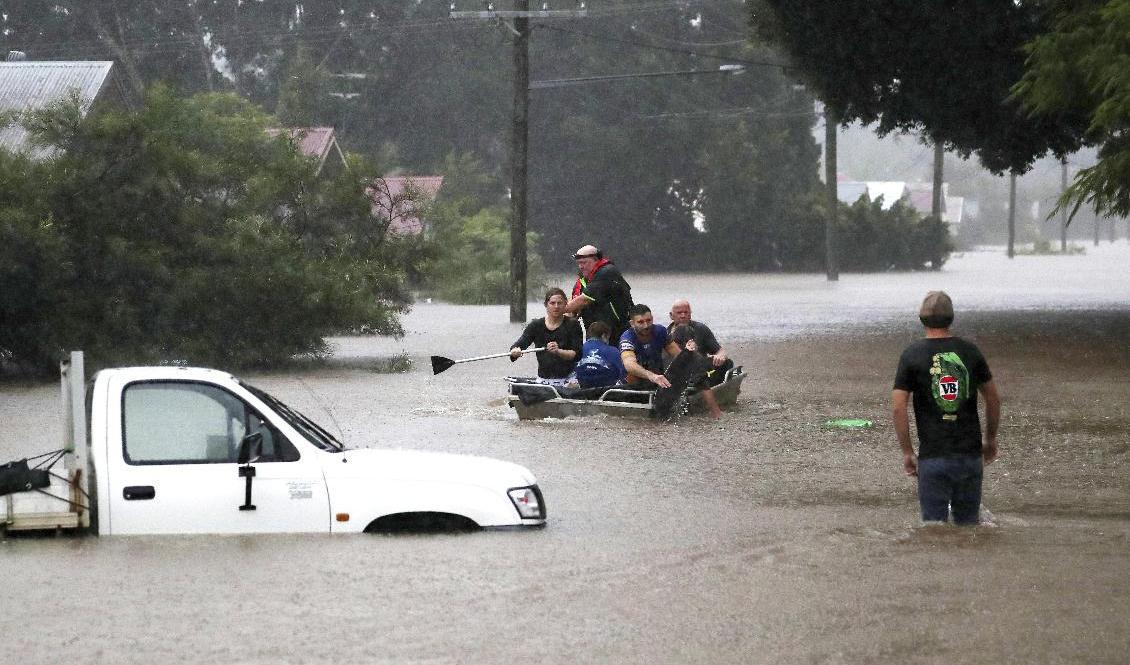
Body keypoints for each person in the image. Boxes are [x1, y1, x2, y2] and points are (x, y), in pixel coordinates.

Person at [892, 291, 1001, 526]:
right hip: (969, 456)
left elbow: (898, 408)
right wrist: (990, 439)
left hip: (933, 457)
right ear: (951, 318)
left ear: (921, 319)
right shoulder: (970, 352)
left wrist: (907, 451)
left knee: (933, 531)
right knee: (969, 528)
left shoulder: (912, 355)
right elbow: (992, 398)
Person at [510, 287, 583, 381]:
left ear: (565, 304)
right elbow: (520, 344)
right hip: (543, 378)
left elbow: (577, 355)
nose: (556, 306)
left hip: (568, 379)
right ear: (546, 305)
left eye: (559, 303)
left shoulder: (573, 324)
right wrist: (515, 351)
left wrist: (558, 351)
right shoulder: (536, 325)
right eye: (552, 303)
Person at [565, 245, 634, 340]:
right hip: (595, 332)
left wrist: (555, 310)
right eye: (578, 263)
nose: (580, 266)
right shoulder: (585, 277)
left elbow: (583, 300)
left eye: (583, 263)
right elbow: (573, 304)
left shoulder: (607, 272)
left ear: (596, 260)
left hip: (617, 330)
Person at [668, 299, 734, 385]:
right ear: (671, 316)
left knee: (727, 363)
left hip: (700, 370)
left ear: (690, 314)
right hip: (678, 373)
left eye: (686, 312)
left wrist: (720, 357)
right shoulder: (666, 333)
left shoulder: (701, 329)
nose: (683, 315)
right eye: (679, 313)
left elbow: (720, 351)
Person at [619, 304, 678, 389]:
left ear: (652, 318)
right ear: (632, 323)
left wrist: (689, 352)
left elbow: (678, 354)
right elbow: (629, 365)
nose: (646, 325)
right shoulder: (627, 338)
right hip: (631, 386)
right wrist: (651, 376)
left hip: (657, 381)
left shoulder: (660, 331)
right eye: (640, 322)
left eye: (648, 320)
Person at [573, 321, 625, 389]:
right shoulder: (612, 351)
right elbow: (622, 371)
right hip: (606, 391)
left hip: (583, 389)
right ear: (604, 335)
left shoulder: (581, 348)